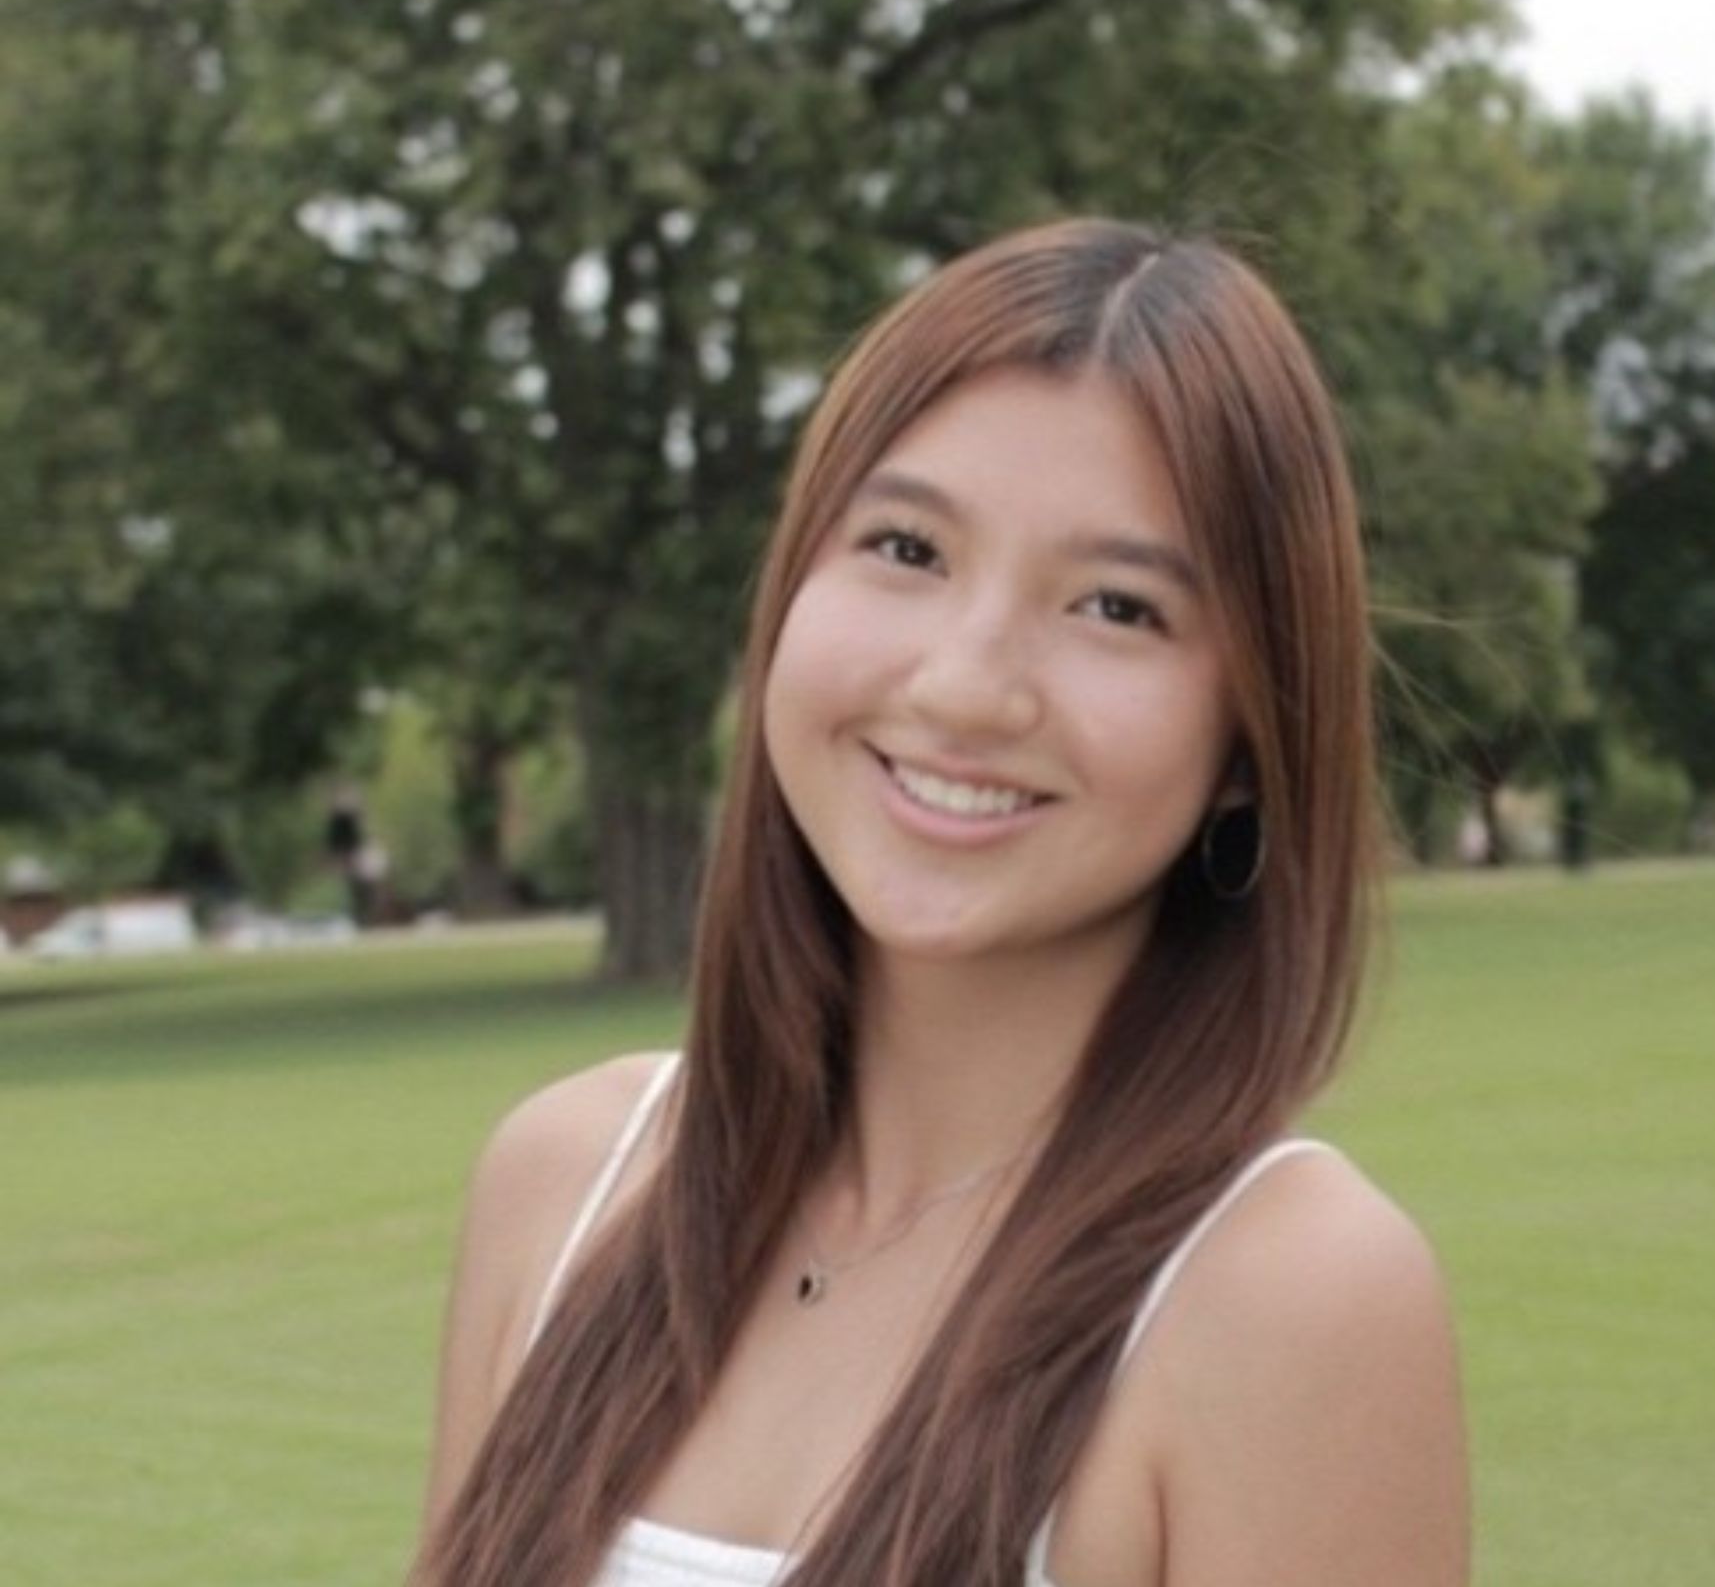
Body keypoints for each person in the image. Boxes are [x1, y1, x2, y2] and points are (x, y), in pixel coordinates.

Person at [412, 218, 1469, 1587]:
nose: (968, 686)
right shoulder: (566, 1186)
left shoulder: (1286, 1298)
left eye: (1116, 607)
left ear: (1250, 744)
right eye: (908, 550)